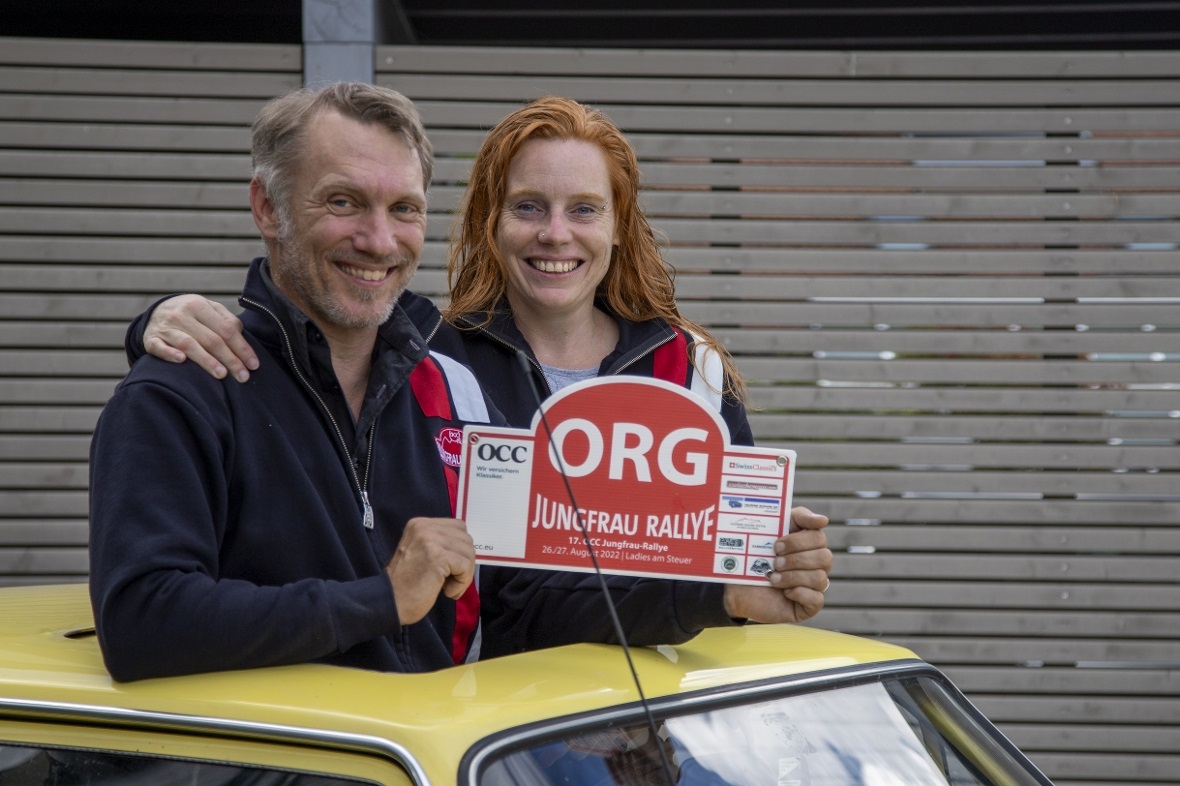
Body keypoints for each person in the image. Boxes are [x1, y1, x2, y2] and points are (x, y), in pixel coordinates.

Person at [123, 96, 834, 659]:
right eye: (528, 207)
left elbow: (733, 564)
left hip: (672, 710)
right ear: (489, 222)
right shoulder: (431, 363)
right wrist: (161, 321)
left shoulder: (694, 372)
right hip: (503, 724)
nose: (556, 233)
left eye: (584, 209)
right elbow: (311, 332)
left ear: (622, 226)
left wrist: (749, 586)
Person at [88, 82, 503, 682]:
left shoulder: (454, 388)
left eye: (404, 209)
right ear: (266, 208)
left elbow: (523, 595)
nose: (380, 240)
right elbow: (141, 623)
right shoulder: (180, 393)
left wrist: (679, 596)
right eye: (343, 202)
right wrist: (382, 598)